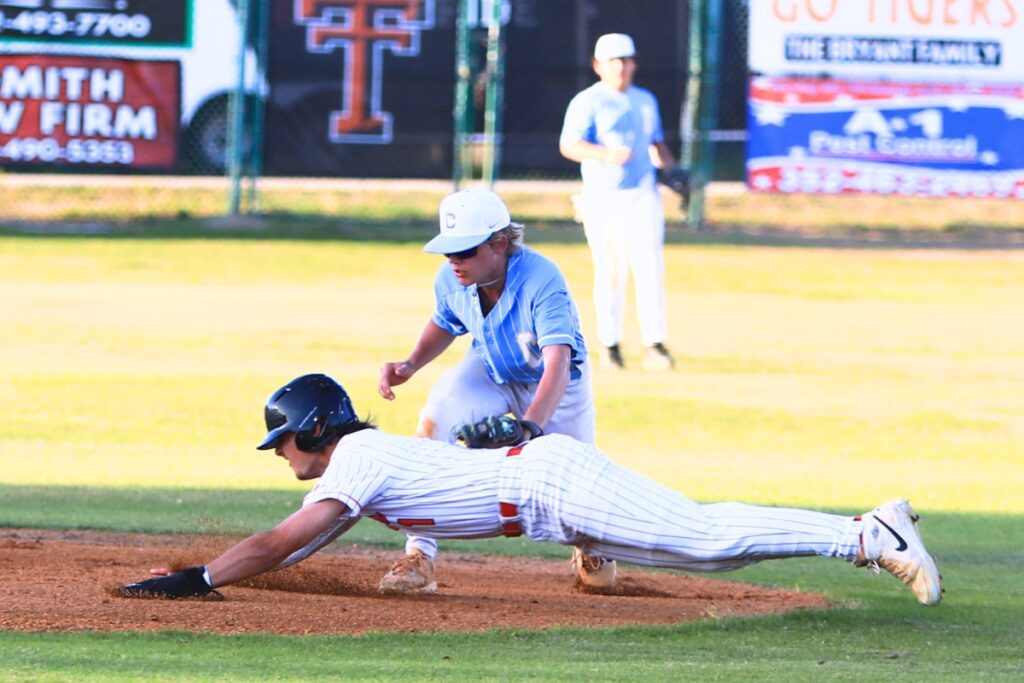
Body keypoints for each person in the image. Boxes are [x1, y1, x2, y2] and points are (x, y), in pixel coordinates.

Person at [118, 373, 943, 607]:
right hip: (547, 500)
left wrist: (199, 578)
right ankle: (869, 532)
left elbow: (280, 542)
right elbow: (291, 542)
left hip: (551, 483)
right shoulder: (356, 466)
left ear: (316, 427)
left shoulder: (357, 461)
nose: (279, 453)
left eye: (284, 438)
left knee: (707, 534)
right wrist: (218, 577)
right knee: (712, 551)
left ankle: (870, 533)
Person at [375, 187, 609, 594]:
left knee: (576, 481)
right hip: (490, 368)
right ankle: (419, 555)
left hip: (556, 386)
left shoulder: (542, 279)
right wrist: (410, 364)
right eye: (449, 251)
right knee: (437, 419)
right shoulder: (452, 277)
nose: (454, 261)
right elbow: (444, 322)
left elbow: (556, 362)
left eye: (464, 251)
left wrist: (531, 427)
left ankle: (590, 545)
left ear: (499, 243)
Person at [559, 32, 682, 371]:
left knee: (650, 268)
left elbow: (656, 144)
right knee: (611, 270)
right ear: (598, 65)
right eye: (614, 60)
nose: (622, 67)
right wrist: (605, 154)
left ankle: (654, 344)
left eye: (627, 60)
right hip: (603, 195)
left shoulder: (645, 100)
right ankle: (610, 343)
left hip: (642, 193)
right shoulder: (589, 101)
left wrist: (673, 170)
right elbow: (569, 145)